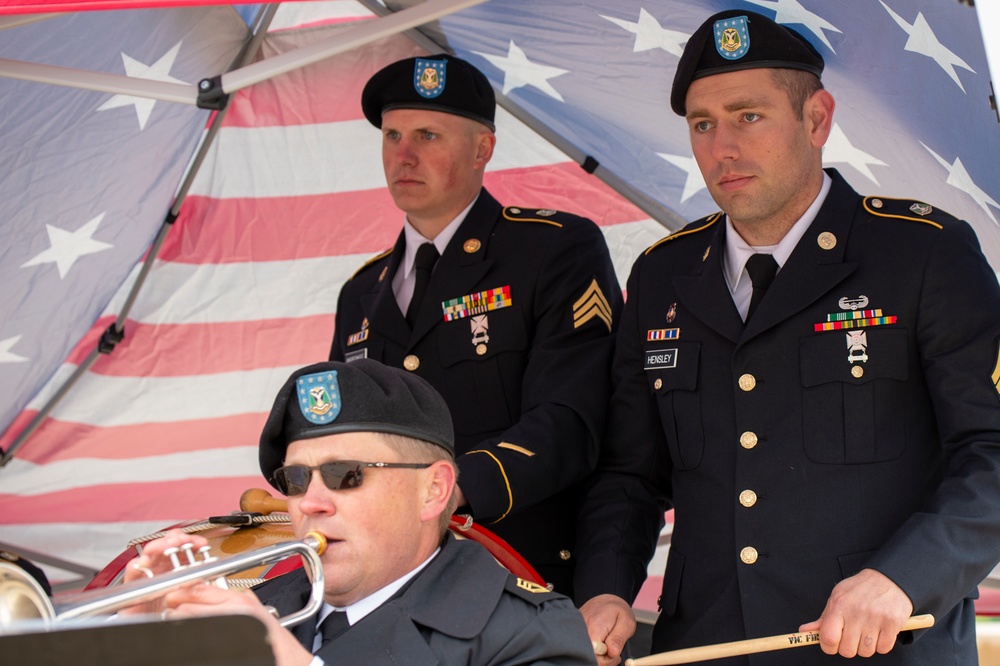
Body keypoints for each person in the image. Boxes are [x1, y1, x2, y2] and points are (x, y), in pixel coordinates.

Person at [574, 9, 1000, 665]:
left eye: (749, 116)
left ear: (817, 119)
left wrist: (904, 579)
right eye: (702, 124)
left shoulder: (921, 254)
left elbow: (993, 450)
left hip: (879, 648)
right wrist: (605, 590)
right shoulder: (663, 275)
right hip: (707, 647)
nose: (723, 147)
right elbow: (630, 473)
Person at [328, 54, 623, 595]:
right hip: (390, 584)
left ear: (482, 149)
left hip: (520, 575)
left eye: (428, 136)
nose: (404, 155)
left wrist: (450, 490)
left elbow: (572, 418)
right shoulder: (360, 294)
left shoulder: (553, 249)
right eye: (392, 136)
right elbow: (342, 437)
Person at [123, 359, 597, 665]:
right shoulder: (264, 603)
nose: (310, 502)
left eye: (347, 474)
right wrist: (136, 642)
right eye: (296, 479)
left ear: (433, 491)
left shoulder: (532, 634)